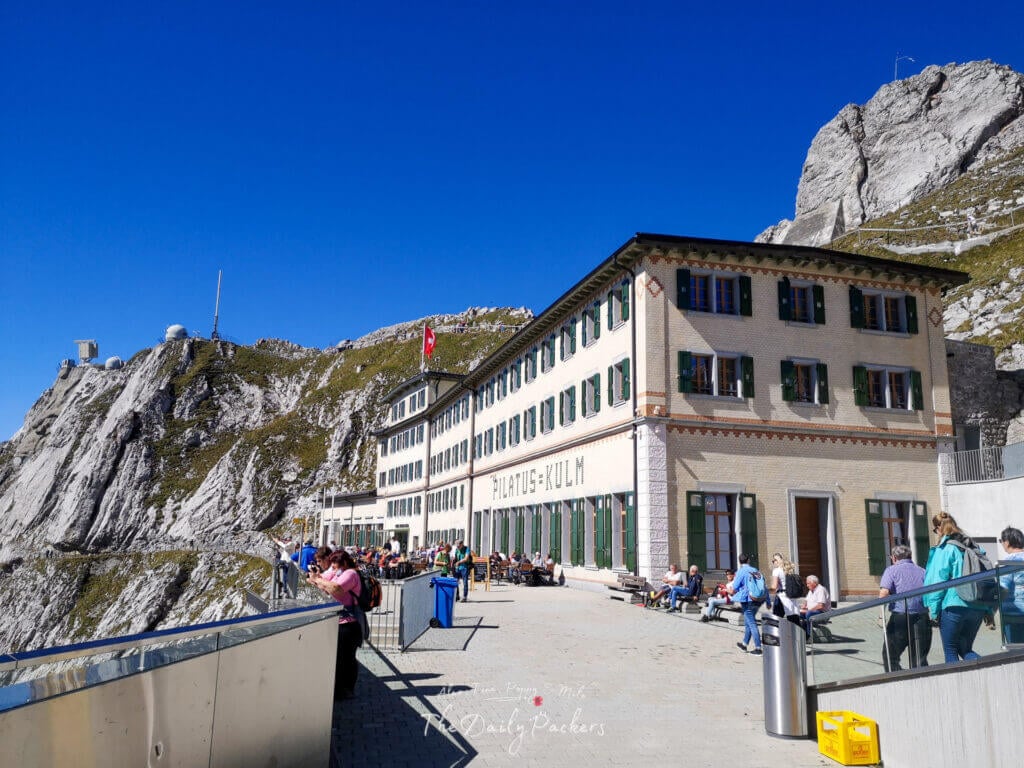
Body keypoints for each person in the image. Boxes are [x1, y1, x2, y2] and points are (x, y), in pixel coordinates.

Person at [923, 512, 991, 663]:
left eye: (935, 530)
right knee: (965, 649)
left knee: (950, 650)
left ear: (939, 528)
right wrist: (989, 609)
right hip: (977, 605)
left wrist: (933, 611)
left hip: (953, 604)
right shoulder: (972, 547)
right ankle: (990, 669)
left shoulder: (946, 549)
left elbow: (937, 582)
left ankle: (958, 685)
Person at [307, 550, 362, 700]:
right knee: (339, 658)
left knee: (347, 658)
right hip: (339, 622)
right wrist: (316, 578)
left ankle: (347, 689)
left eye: (334, 564)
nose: (332, 567)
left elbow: (335, 589)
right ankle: (339, 689)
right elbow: (317, 582)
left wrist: (318, 580)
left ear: (343, 563)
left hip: (348, 624)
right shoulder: (338, 573)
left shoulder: (350, 574)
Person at [879, 545, 931, 670]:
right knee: (919, 658)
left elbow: (884, 593)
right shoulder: (922, 571)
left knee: (890, 655)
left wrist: (881, 615)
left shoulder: (891, 570)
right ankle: (919, 681)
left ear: (894, 558)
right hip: (921, 617)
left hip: (900, 617)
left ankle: (897, 679)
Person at [727, 554, 763, 655]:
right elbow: (760, 582)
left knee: (751, 623)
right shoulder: (754, 569)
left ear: (739, 562)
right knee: (748, 622)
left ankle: (758, 647)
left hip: (746, 599)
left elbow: (734, 588)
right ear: (748, 560)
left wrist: (729, 591)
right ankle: (744, 644)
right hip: (756, 597)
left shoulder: (740, 572)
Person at [998, 526, 1024, 644]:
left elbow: (1003, 588)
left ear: (1007, 542)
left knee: (1016, 654)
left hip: (1014, 614)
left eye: (1001, 541)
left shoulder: (1008, 562)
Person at [769, 553, 800, 618]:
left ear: (778, 561)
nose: (773, 562)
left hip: (782, 597)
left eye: (774, 560)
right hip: (791, 596)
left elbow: (774, 587)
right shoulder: (789, 569)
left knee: (777, 618)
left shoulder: (776, 571)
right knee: (793, 618)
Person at [800, 575, 830, 639]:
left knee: (809, 614)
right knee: (799, 614)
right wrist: (804, 606)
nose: (807, 585)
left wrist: (808, 610)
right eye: (807, 583)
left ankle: (809, 636)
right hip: (813, 610)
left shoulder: (821, 589)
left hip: (822, 612)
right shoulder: (811, 590)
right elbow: (806, 600)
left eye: (808, 583)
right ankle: (803, 634)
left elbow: (821, 606)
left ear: (814, 583)